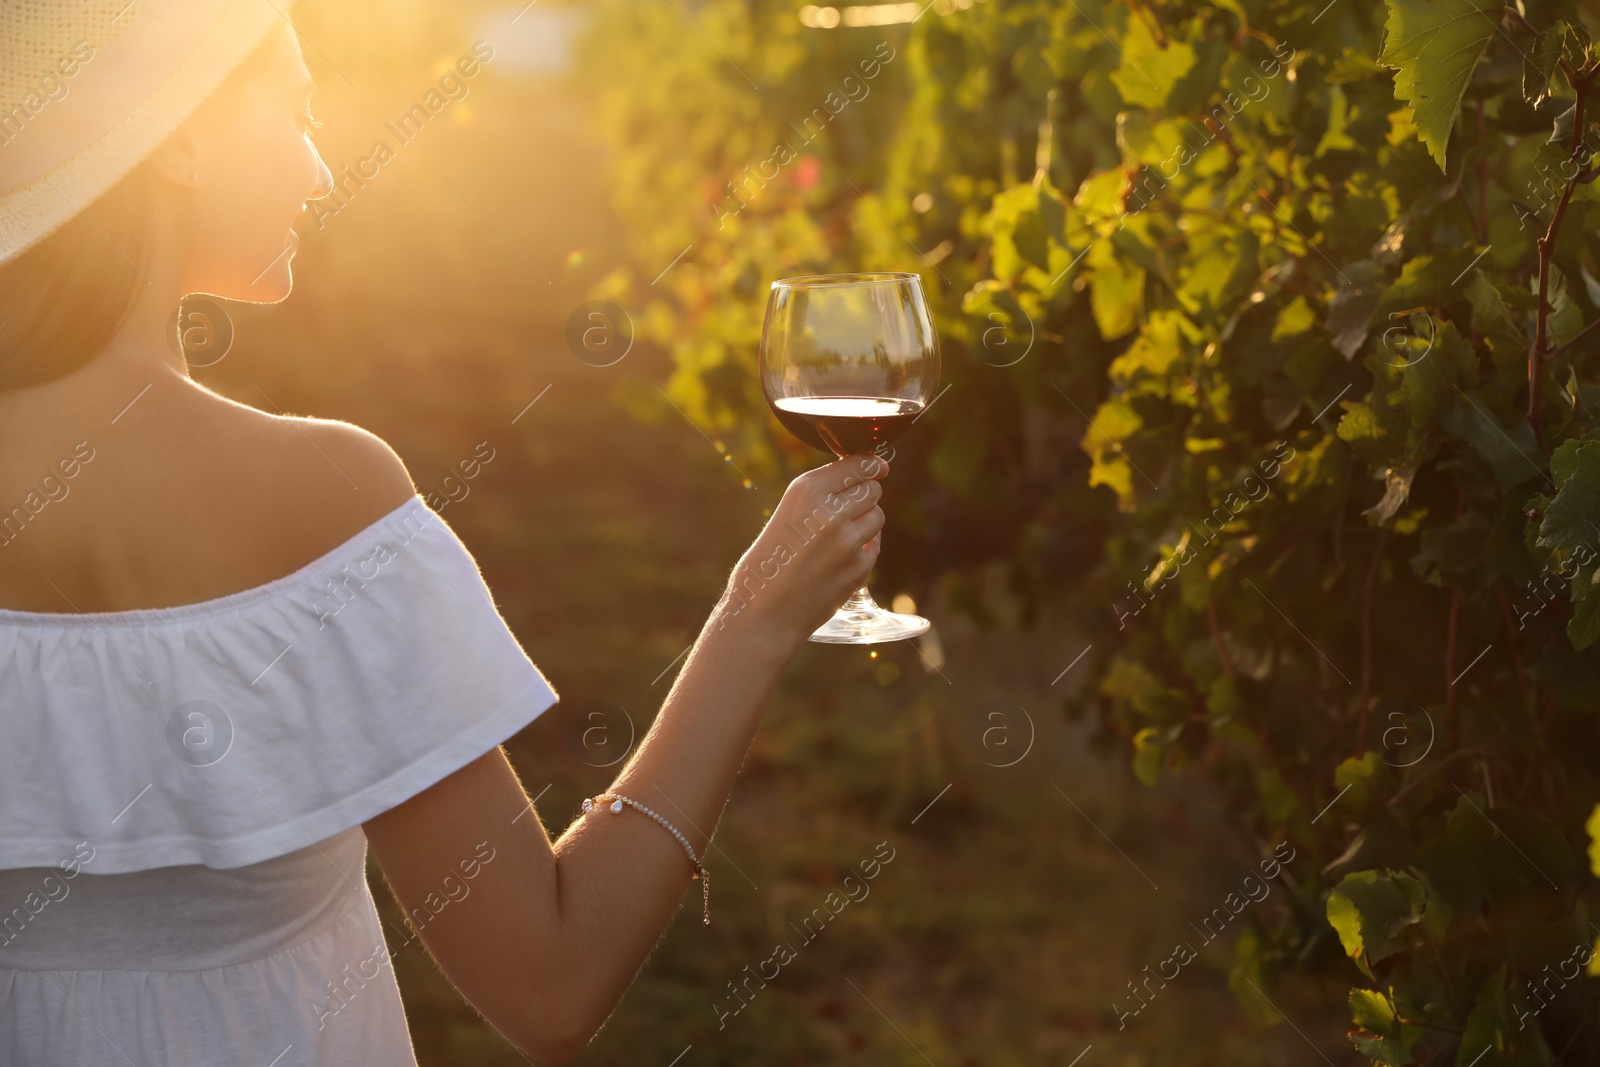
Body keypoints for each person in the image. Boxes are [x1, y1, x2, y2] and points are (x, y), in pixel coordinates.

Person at [0, 4, 888, 1064]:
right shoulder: (320, 495)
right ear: (179, 138)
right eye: (294, 113)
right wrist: (756, 616)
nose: (320, 170)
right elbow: (551, 978)